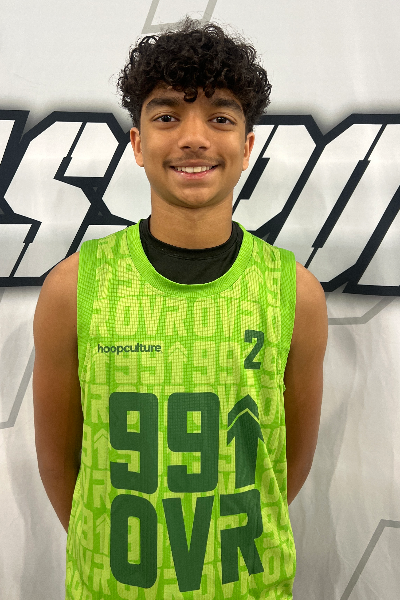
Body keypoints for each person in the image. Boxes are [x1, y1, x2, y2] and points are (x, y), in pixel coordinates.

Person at [33, 18, 328, 600]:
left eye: (220, 117)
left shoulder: (295, 293)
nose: (194, 138)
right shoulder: (73, 287)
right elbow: (60, 465)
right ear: (138, 144)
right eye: (167, 116)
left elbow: (281, 468)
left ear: (247, 147)